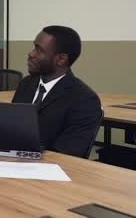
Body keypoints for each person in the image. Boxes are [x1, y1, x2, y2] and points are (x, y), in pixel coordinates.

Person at [12, 25, 102, 158]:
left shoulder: (84, 99)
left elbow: (68, 154)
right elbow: (12, 130)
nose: (31, 54)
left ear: (61, 59)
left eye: (39, 50)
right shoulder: (26, 84)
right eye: (34, 47)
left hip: (50, 171)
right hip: (12, 162)